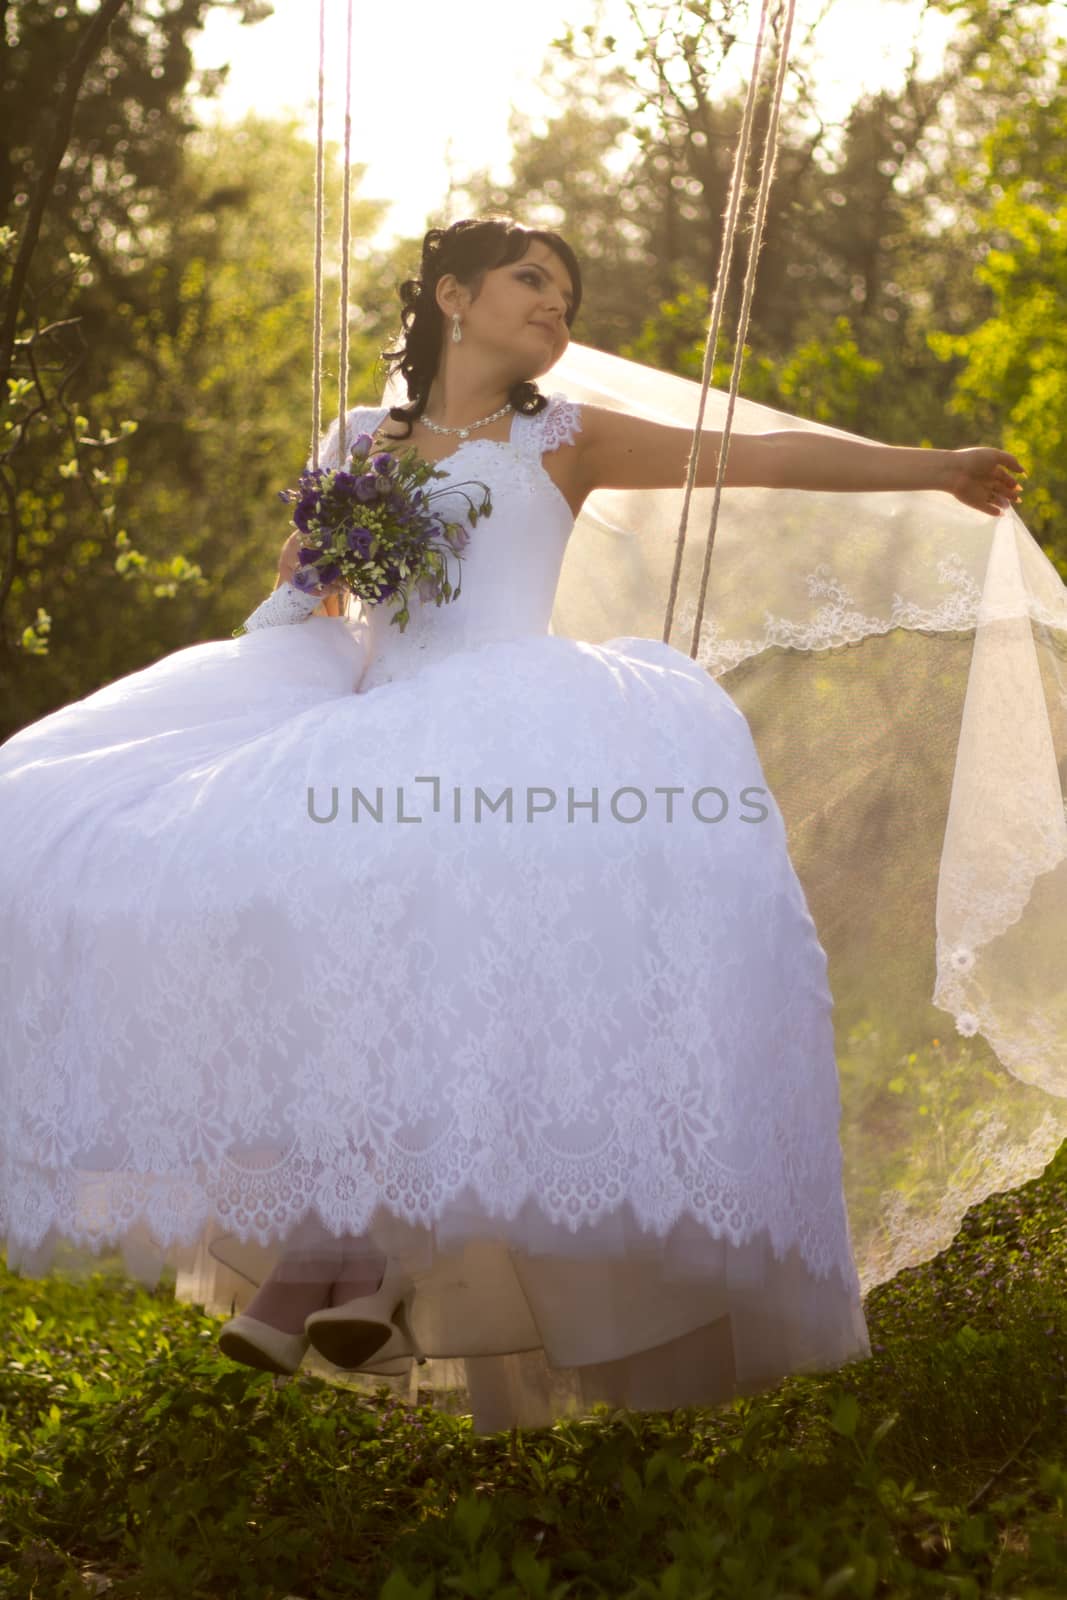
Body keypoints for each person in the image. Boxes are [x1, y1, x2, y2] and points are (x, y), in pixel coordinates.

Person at [0, 215, 1036, 1435]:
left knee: (451, 950)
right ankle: (348, 1237)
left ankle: (353, 1252)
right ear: (452, 294)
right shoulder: (358, 440)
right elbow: (304, 610)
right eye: (530, 278)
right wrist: (302, 572)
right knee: (296, 922)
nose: (556, 302)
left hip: (511, 725)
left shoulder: (562, 435)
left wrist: (928, 466)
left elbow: (745, 455)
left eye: (567, 288)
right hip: (374, 719)